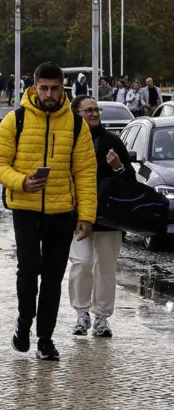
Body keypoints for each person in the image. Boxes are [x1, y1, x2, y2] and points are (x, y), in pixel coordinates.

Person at [0, 61, 97, 361]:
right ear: (34, 87)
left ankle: (45, 339)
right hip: (25, 208)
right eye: (44, 88)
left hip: (62, 211)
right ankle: (24, 320)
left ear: (63, 89)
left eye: (55, 89)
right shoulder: (16, 120)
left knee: (52, 276)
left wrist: (86, 215)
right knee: (28, 269)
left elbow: (86, 172)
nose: (49, 94)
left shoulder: (76, 125)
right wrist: (22, 182)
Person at [66, 95, 136, 339]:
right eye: (89, 110)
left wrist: (118, 166)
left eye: (97, 109)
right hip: (78, 215)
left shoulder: (112, 142)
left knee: (105, 267)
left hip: (109, 216)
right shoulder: (69, 140)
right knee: (81, 263)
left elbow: (130, 180)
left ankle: (102, 317)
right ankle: (81, 313)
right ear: (76, 114)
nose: (94, 114)